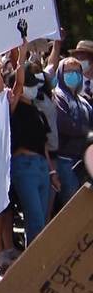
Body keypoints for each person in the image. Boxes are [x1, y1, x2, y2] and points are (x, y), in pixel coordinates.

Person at [8, 42, 59, 246]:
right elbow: (18, 85)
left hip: (40, 167)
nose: (34, 87)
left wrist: (52, 172)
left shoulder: (38, 112)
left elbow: (44, 145)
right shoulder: (13, 108)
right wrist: (21, 54)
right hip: (24, 166)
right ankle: (34, 267)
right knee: (35, 219)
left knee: (43, 221)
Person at [52, 57, 92, 204]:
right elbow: (63, 124)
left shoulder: (83, 101)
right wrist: (87, 133)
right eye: (68, 71)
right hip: (65, 161)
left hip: (82, 161)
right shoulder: (58, 96)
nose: (73, 75)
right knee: (72, 204)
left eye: (76, 71)